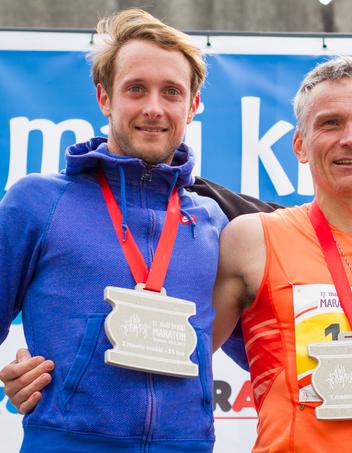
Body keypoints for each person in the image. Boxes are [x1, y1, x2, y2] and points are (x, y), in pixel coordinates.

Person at [0, 8, 239, 452]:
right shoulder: (37, 202)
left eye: (171, 92)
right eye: (136, 89)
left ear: (193, 105)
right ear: (104, 99)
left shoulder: (214, 223)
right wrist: (11, 373)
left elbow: (269, 346)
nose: (153, 108)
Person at [209, 56, 352, 452]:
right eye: (330, 123)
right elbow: (184, 358)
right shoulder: (253, 239)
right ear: (300, 144)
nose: (351, 138)